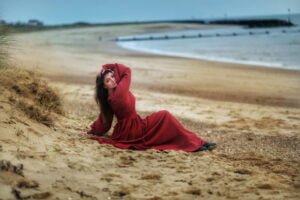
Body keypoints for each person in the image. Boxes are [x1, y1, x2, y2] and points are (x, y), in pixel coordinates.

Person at [83, 63, 216, 152]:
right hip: (134, 130)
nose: (113, 80)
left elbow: (105, 122)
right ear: (104, 86)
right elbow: (126, 71)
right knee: (165, 116)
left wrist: (93, 130)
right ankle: (195, 143)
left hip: (128, 129)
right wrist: (106, 66)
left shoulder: (109, 98)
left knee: (164, 118)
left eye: (112, 76)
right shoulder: (119, 93)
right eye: (108, 80)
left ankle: (197, 142)